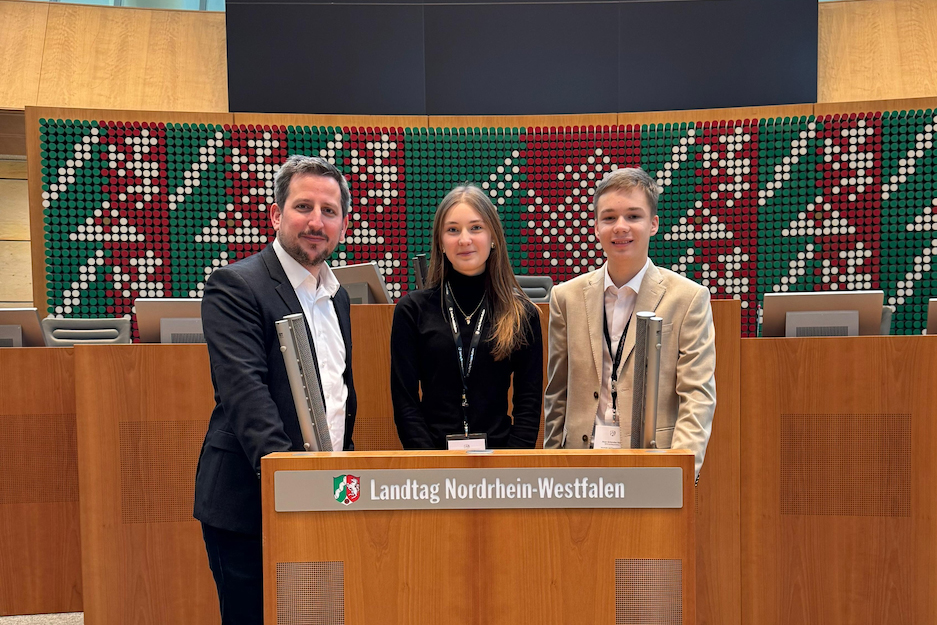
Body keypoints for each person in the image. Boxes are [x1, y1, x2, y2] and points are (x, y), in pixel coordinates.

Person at [193, 155, 357, 625]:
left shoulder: (337, 295)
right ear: (275, 214)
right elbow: (245, 393)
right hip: (254, 504)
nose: (316, 221)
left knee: (318, 617)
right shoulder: (237, 285)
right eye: (303, 206)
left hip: (323, 498)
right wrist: (291, 485)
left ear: (343, 224)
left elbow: (338, 393)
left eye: (329, 211)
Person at [543, 166, 716, 478]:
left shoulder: (688, 298)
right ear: (596, 227)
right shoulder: (565, 297)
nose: (620, 227)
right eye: (609, 218)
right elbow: (557, 393)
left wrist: (678, 471)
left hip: (652, 467)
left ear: (653, 224)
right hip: (579, 467)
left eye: (633, 216)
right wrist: (550, 468)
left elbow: (697, 395)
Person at [391, 185, 543, 449]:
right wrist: (429, 465)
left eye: (476, 228)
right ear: (440, 241)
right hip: (432, 465)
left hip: (501, 466)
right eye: (452, 230)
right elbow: (405, 403)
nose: (464, 240)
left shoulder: (521, 314)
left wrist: (512, 466)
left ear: (493, 237)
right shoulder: (411, 310)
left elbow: (528, 404)